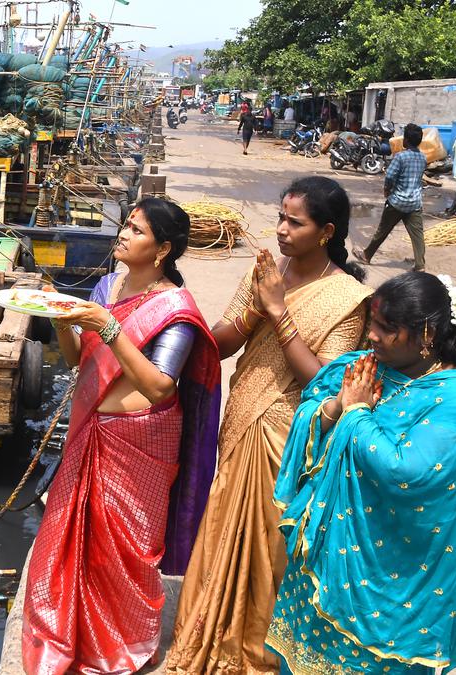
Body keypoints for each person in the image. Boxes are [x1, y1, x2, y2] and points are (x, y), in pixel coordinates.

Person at [167, 177, 372, 675]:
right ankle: (206, 636)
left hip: (289, 436)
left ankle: (253, 653)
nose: (280, 230)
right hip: (242, 420)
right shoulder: (265, 273)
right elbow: (221, 346)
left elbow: (324, 380)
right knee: (221, 530)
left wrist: (278, 312)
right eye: (280, 217)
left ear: (326, 232)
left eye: (294, 222)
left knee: (269, 548)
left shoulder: (348, 298)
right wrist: (251, 309)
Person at [22, 198, 222, 675]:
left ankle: (119, 646)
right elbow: (77, 361)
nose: (124, 234)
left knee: (125, 552)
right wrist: (60, 318)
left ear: (162, 249)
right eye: (127, 225)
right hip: (90, 427)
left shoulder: (175, 306)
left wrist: (108, 327)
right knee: (73, 541)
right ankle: (67, 634)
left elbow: (158, 386)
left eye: (137, 229)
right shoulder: (107, 286)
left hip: (140, 441)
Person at [266, 271, 456, 673]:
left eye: (386, 328)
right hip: (327, 569)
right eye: (373, 323)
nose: (371, 335)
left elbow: (408, 472)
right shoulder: (368, 367)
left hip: (397, 585)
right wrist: (336, 408)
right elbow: (315, 405)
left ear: (427, 334)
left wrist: (357, 414)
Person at [354, 123, 428, 272]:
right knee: (417, 235)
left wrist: (387, 191)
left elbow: (389, 177)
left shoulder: (400, 157)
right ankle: (420, 265)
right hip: (414, 203)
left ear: (406, 140)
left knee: (382, 230)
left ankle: (366, 256)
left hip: (398, 201)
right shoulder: (423, 158)